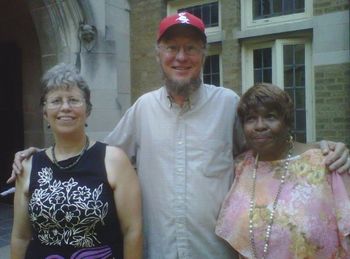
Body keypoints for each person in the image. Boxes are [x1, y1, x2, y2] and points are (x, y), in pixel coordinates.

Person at [9, 13, 350, 259]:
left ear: (203, 54)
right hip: (156, 251)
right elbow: (93, 158)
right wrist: (43, 157)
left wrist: (320, 150)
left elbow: (271, 152)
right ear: (158, 53)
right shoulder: (143, 109)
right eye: (172, 47)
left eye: (191, 48)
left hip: (216, 250)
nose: (181, 57)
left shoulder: (228, 105)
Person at [10, 64, 142, 259]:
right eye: (55, 101)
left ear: (87, 110)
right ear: (45, 112)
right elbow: (20, 237)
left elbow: (132, 231)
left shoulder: (114, 161)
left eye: (73, 100)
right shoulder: (29, 166)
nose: (65, 107)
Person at [215, 83, 350, 258]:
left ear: (287, 122)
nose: (260, 125)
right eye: (251, 118)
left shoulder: (326, 164)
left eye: (270, 117)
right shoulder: (242, 167)